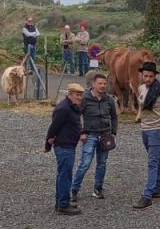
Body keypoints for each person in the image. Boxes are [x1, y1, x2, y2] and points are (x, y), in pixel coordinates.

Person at [133, 62, 160, 210]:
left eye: (151, 76)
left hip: (157, 130)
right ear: (142, 75)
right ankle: (156, 188)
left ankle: (147, 195)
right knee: (156, 159)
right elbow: (141, 107)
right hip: (145, 129)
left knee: (152, 161)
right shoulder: (141, 88)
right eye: (146, 76)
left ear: (155, 76)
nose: (148, 78)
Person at [71, 73, 117, 202]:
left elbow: (114, 117)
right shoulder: (85, 98)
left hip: (105, 135)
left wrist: (113, 132)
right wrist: (81, 132)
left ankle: (98, 189)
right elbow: (76, 116)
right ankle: (74, 189)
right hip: (90, 135)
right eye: (100, 83)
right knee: (85, 163)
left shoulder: (109, 99)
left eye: (104, 83)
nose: (103, 86)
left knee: (102, 164)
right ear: (93, 84)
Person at [45, 83, 85, 215]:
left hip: (68, 145)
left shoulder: (72, 107)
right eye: (77, 95)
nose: (79, 97)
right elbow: (53, 127)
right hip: (64, 146)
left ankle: (61, 202)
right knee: (65, 176)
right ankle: (63, 204)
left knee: (63, 175)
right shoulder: (63, 108)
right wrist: (48, 144)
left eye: (80, 95)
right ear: (69, 94)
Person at [22, 17, 42, 99]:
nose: (30, 22)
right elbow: (28, 34)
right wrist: (33, 34)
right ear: (26, 21)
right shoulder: (24, 28)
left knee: (33, 58)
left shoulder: (34, 27)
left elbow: (38, 34)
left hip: (34, 45)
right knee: (28, 57)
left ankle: (32, 70)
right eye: (29, 21)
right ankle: (27, 69)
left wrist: (33, 34)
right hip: (28, 45)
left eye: (31, 21)